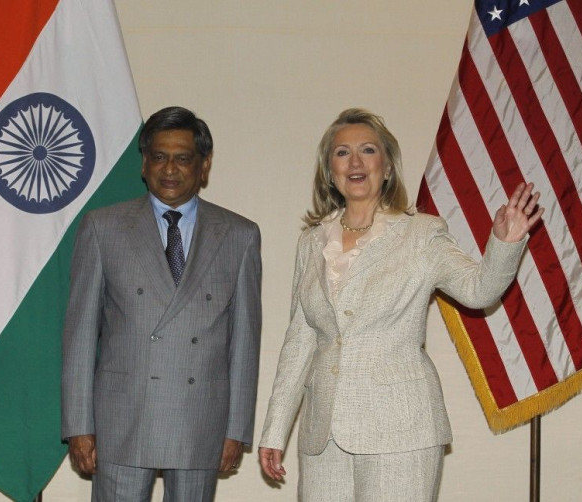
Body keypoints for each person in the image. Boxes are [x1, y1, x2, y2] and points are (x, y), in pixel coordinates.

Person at [258, 108, 543, 501]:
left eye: (368, 150)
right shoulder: (311, 243)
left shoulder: (421, 234)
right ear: (329, 171)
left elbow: (479, 292)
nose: (355, 162)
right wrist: (275, 430)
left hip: (401, 426)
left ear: (387, 167)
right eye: (342, 153)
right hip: (322, 434)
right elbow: (299, 341)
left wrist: (505, 243)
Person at [61, 106, 262, 501]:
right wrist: (79, 425)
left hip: (200, 418)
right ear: (144, 164)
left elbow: (245, 342)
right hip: (121, 419)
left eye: (183, 158)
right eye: (159, 156)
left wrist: (236, 428)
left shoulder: (239, 235)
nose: (170, 168)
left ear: (203, 167)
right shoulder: (102, 228)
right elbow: (80, 335)